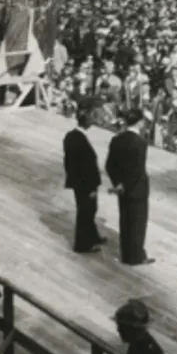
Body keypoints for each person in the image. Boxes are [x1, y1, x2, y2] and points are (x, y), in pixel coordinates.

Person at [106, 110, 154, 267]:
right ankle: (136, 256)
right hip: (137, 188)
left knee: (125, 220)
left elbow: (110, 165)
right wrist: (130, 186)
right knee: (138, 222)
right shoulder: (140, 143)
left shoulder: (116, 139)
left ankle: (126, 254)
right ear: (139, 123)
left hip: (121, 188)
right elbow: (137, 169)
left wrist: (118, 183)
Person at [63, 104, 107, 253]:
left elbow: (70, 163)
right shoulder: (80, 140)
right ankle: (82, 245)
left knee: (88, 210)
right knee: (87, 212)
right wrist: (91, 188)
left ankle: (93, 236)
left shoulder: (70, 136)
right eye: (90, 119)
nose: (92, 121)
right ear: (85, 121)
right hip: (86, 184)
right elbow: (86, 167)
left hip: (77, 182)